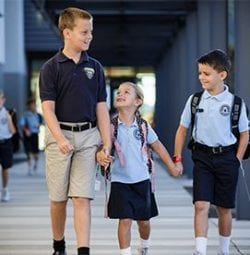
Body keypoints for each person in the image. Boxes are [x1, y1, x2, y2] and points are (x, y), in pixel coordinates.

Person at [39, 7, 111, 255]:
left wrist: (106, 144)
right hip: (60, 136)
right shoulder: (51, 68)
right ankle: (59, 246)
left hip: (89, 137)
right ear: (67, 33)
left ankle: (84, 251)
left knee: (82, 197)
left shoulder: (96, 67)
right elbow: (48, 109)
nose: (90, 36)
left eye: (91, 31)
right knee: (58, 198)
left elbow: (102, 108)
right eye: (84, 32)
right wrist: (59, 139)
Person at [173, 49, 249, 255]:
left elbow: (245, 133)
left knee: (224, 208)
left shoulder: (235, 103)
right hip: (202, 158)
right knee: (200, 205)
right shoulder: (195, 100)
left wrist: (237, 159)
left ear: (222, 75)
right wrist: (177, 158)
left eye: (206, 74)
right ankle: (200, 251)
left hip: (227, 158)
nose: (201, 77)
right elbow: (182, 130)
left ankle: (223, 250)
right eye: (199, 73)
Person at [97, 82, 182, 255]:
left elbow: (157, 146)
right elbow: (100, 148)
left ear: (137, 101)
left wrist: (172, 166)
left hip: (142, 180)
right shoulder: (110, 126)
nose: (120, 94)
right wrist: (100, 155)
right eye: (119, 92)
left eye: (126, 92)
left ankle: (144, 247)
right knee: (125, 220)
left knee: (144, 221)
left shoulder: (143, 126)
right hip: (120, 181)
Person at [20, 98, 44, 175]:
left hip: (35, 135)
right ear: (28, 106)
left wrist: (39, 125)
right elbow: (22, 124)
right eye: (31, 105)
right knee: (28, 152)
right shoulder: (25, 115)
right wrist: (26, 130)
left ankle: (35, 164)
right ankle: (29, 168)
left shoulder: (38, 115)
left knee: (35, 153)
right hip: (28, 135)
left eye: (34, 105)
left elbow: (43, 123)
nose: (33, 106)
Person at [0, 90, 16, 202]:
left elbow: (13, 131)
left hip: (5, 142)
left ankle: (5, 189)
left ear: (3, 100)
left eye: (0, 99)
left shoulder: (7, 113)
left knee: (5, 168)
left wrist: (9, 118)